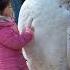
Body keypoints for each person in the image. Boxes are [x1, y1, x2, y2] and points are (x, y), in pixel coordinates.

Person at [0, 0, 34, 70]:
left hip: (17, 60)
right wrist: (28, 34)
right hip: (10, 65)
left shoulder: (8, 24)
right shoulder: (2, 30)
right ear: (2, 11)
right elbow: (16, 43)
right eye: (9, 7)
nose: (11, 9)